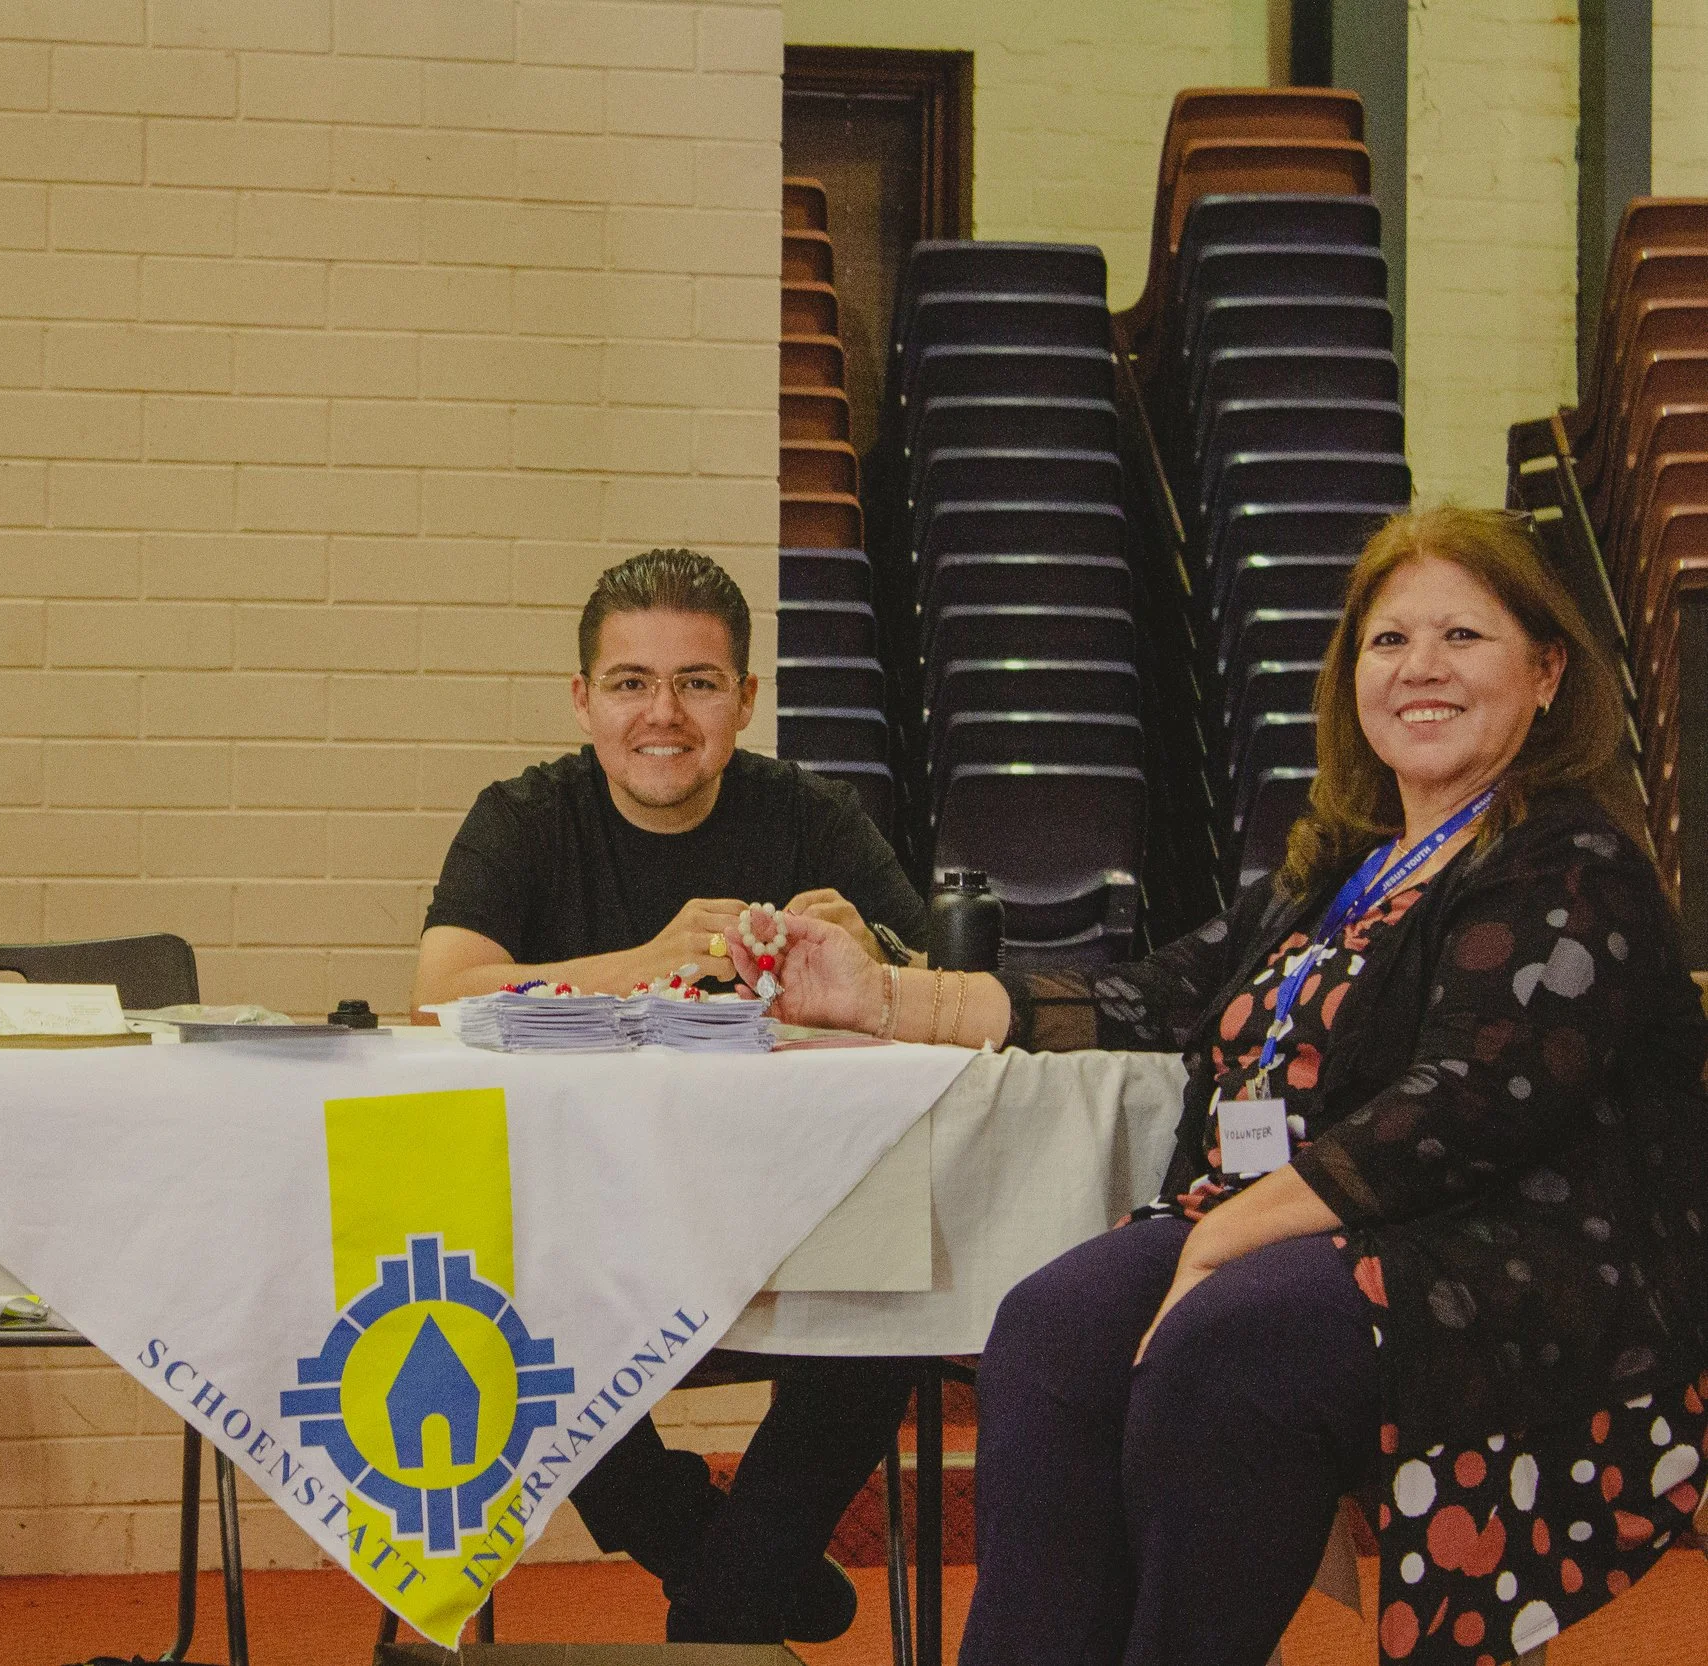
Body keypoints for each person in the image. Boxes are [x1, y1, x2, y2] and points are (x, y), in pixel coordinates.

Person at [740, 506, 1708, 1665]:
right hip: (1303, 1229)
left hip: (1507, 1258)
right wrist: (886, 998)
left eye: (1464, 635)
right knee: (1048, 1325)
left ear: (1547, 673)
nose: (1421, 669)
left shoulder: (1569, 862)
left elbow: (1458, 1105)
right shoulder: (1341, 865)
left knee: (1230, 1344)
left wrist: (1221, 1238)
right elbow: (1146, 994)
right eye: (1388, 641)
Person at [414, 548, 930, 1644]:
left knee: (898, 1302)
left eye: (697, 683)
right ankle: (721, 1563)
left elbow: (924, 985)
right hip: (575, 1230)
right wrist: (646, 956)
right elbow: (439, 991)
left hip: (783, 1223)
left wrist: (868, 957)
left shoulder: (809, 814)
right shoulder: (525, 815)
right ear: (582, 700)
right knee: (482, 1319)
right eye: (630, 682)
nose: (663, 713)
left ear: (745, 700)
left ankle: (719, 1614)